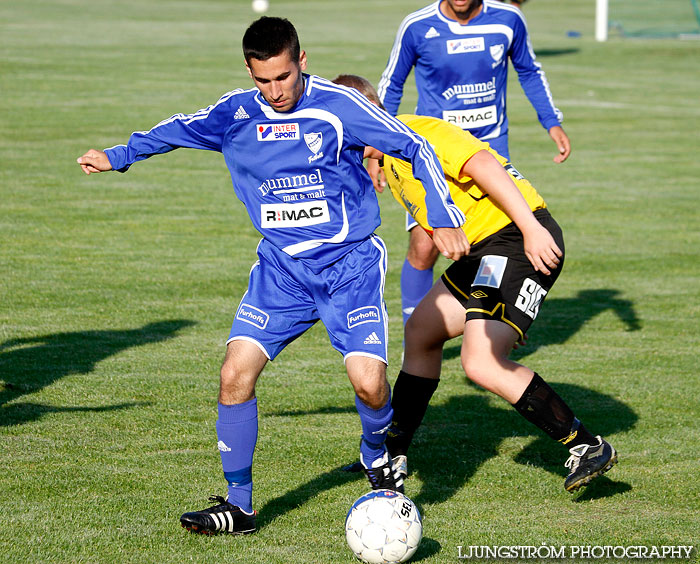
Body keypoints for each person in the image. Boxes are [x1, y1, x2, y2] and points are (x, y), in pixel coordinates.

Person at [77, 18, 469, 535]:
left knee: (371, 386)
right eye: (264, 80)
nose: (275, 90)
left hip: (347, 265)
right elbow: (176, 129)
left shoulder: (338, 107)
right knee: (234, 373)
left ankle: (378, 455)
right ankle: (239, 506)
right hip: (282, 270)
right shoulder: (234, 113)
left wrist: (441, 216)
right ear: (249, 70)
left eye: (283, 76)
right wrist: (120, 156)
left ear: (301, 61)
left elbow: (414, 147)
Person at [333, 74, 617, 493]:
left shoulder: (420, 132)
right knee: (422, 331)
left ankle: (588, 446)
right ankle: (393, 453)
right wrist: (505, 312)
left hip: (518, 238)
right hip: (485, 253)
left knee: (479, 361)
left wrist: (531, 231)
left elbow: (485, 165)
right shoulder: (391, 164)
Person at [375, 0, 571, 326]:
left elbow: (529, 70)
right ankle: (415, 330)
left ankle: (497, 320)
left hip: (488, 150)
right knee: (424, 247)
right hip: (432, 157)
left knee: (500, 237)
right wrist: (379, 150)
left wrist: (552, 121)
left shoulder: (508, 20)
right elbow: (392, 83)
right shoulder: (417, 26)